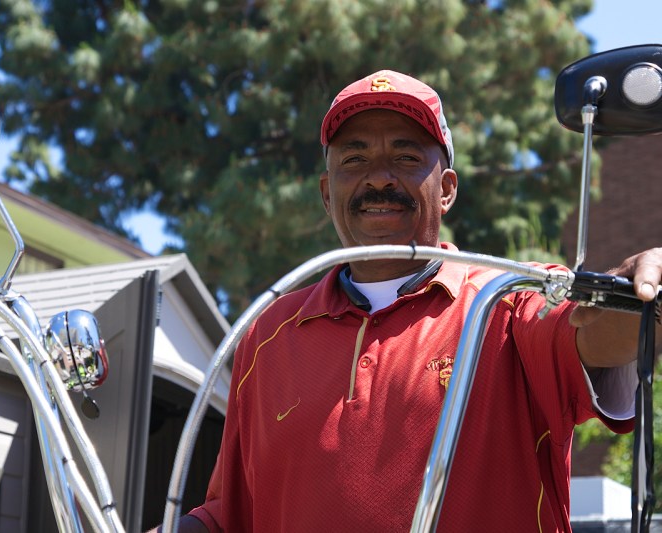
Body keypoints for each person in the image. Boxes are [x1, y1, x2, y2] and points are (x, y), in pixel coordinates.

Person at [156, 70, 662, 532]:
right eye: (355, 159)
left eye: (406, 156)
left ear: (446, 190)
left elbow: (597, 332)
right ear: (327, 193)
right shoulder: (266, 335)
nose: (379, 177)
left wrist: (643, 298)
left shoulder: (509, 299)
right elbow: (233, 512)